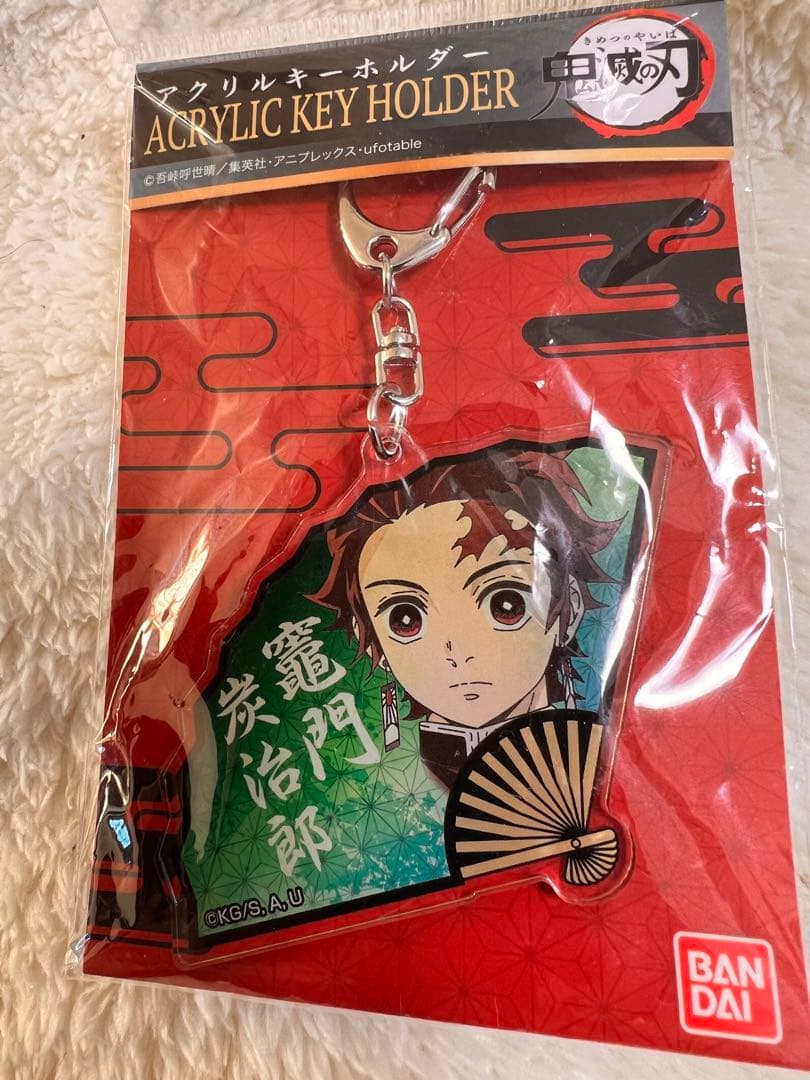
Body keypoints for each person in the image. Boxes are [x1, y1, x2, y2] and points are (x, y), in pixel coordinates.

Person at [312, 444, 619, 788]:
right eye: (405, 619)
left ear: (570, 609)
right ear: (372, 641)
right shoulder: (381, 784)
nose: (458, 652)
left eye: (506, 605)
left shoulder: (600, 763)